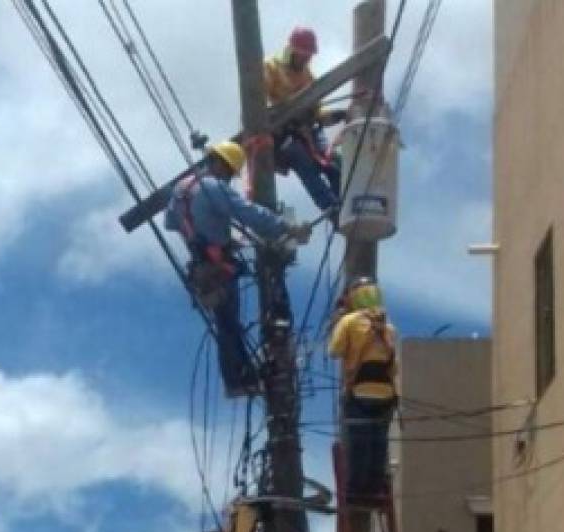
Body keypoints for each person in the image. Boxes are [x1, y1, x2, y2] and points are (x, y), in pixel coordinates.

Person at [165, 141, 311, 397]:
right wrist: (286, 228)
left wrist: (208, 231)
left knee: (225, 324)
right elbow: (248, 213)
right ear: (220, 164)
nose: (229, 178)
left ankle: (239, 378)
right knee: (230, 325)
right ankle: (239, 379)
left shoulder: (180, 188)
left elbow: (171, 223)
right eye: (230, 172)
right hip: (217, 267)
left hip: (201, 266)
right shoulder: (213, 187)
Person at [328, 278, 398, 502]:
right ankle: (375, 490)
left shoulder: (349, 321)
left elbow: (334, 351)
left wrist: (339, 321)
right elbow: (393, 365)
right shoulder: (387, 327)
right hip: (386, 393)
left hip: (360, 392)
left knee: (359, 443)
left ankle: (357, 491)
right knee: (379, 443)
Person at [264, 27, 343, 216]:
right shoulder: (271, 67)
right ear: (292, 51)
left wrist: (337, 115)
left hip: (308, 130)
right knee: (305, 165)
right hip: (283, 135)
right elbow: (259, 104)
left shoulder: (307, 76)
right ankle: (332, 211)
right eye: (303, 55)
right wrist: (282, 112)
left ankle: (346, 203)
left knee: (336, 162)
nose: (307, 59)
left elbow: (317, 112)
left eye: (309, 56)